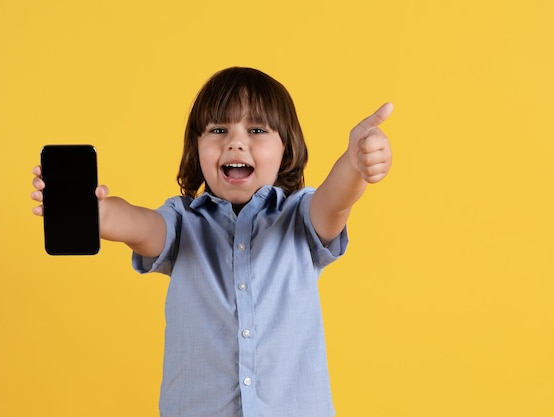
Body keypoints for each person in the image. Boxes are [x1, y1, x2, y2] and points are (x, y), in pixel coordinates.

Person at [31, 67, 393, 417]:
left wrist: (354, 164)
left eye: (256, 129)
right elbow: (140, 225)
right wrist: (96, 212)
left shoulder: (300, 217)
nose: (235, 141)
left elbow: (335, 201)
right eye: (218, 129)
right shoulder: (182, 221)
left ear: (286, 148)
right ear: (197, 147)